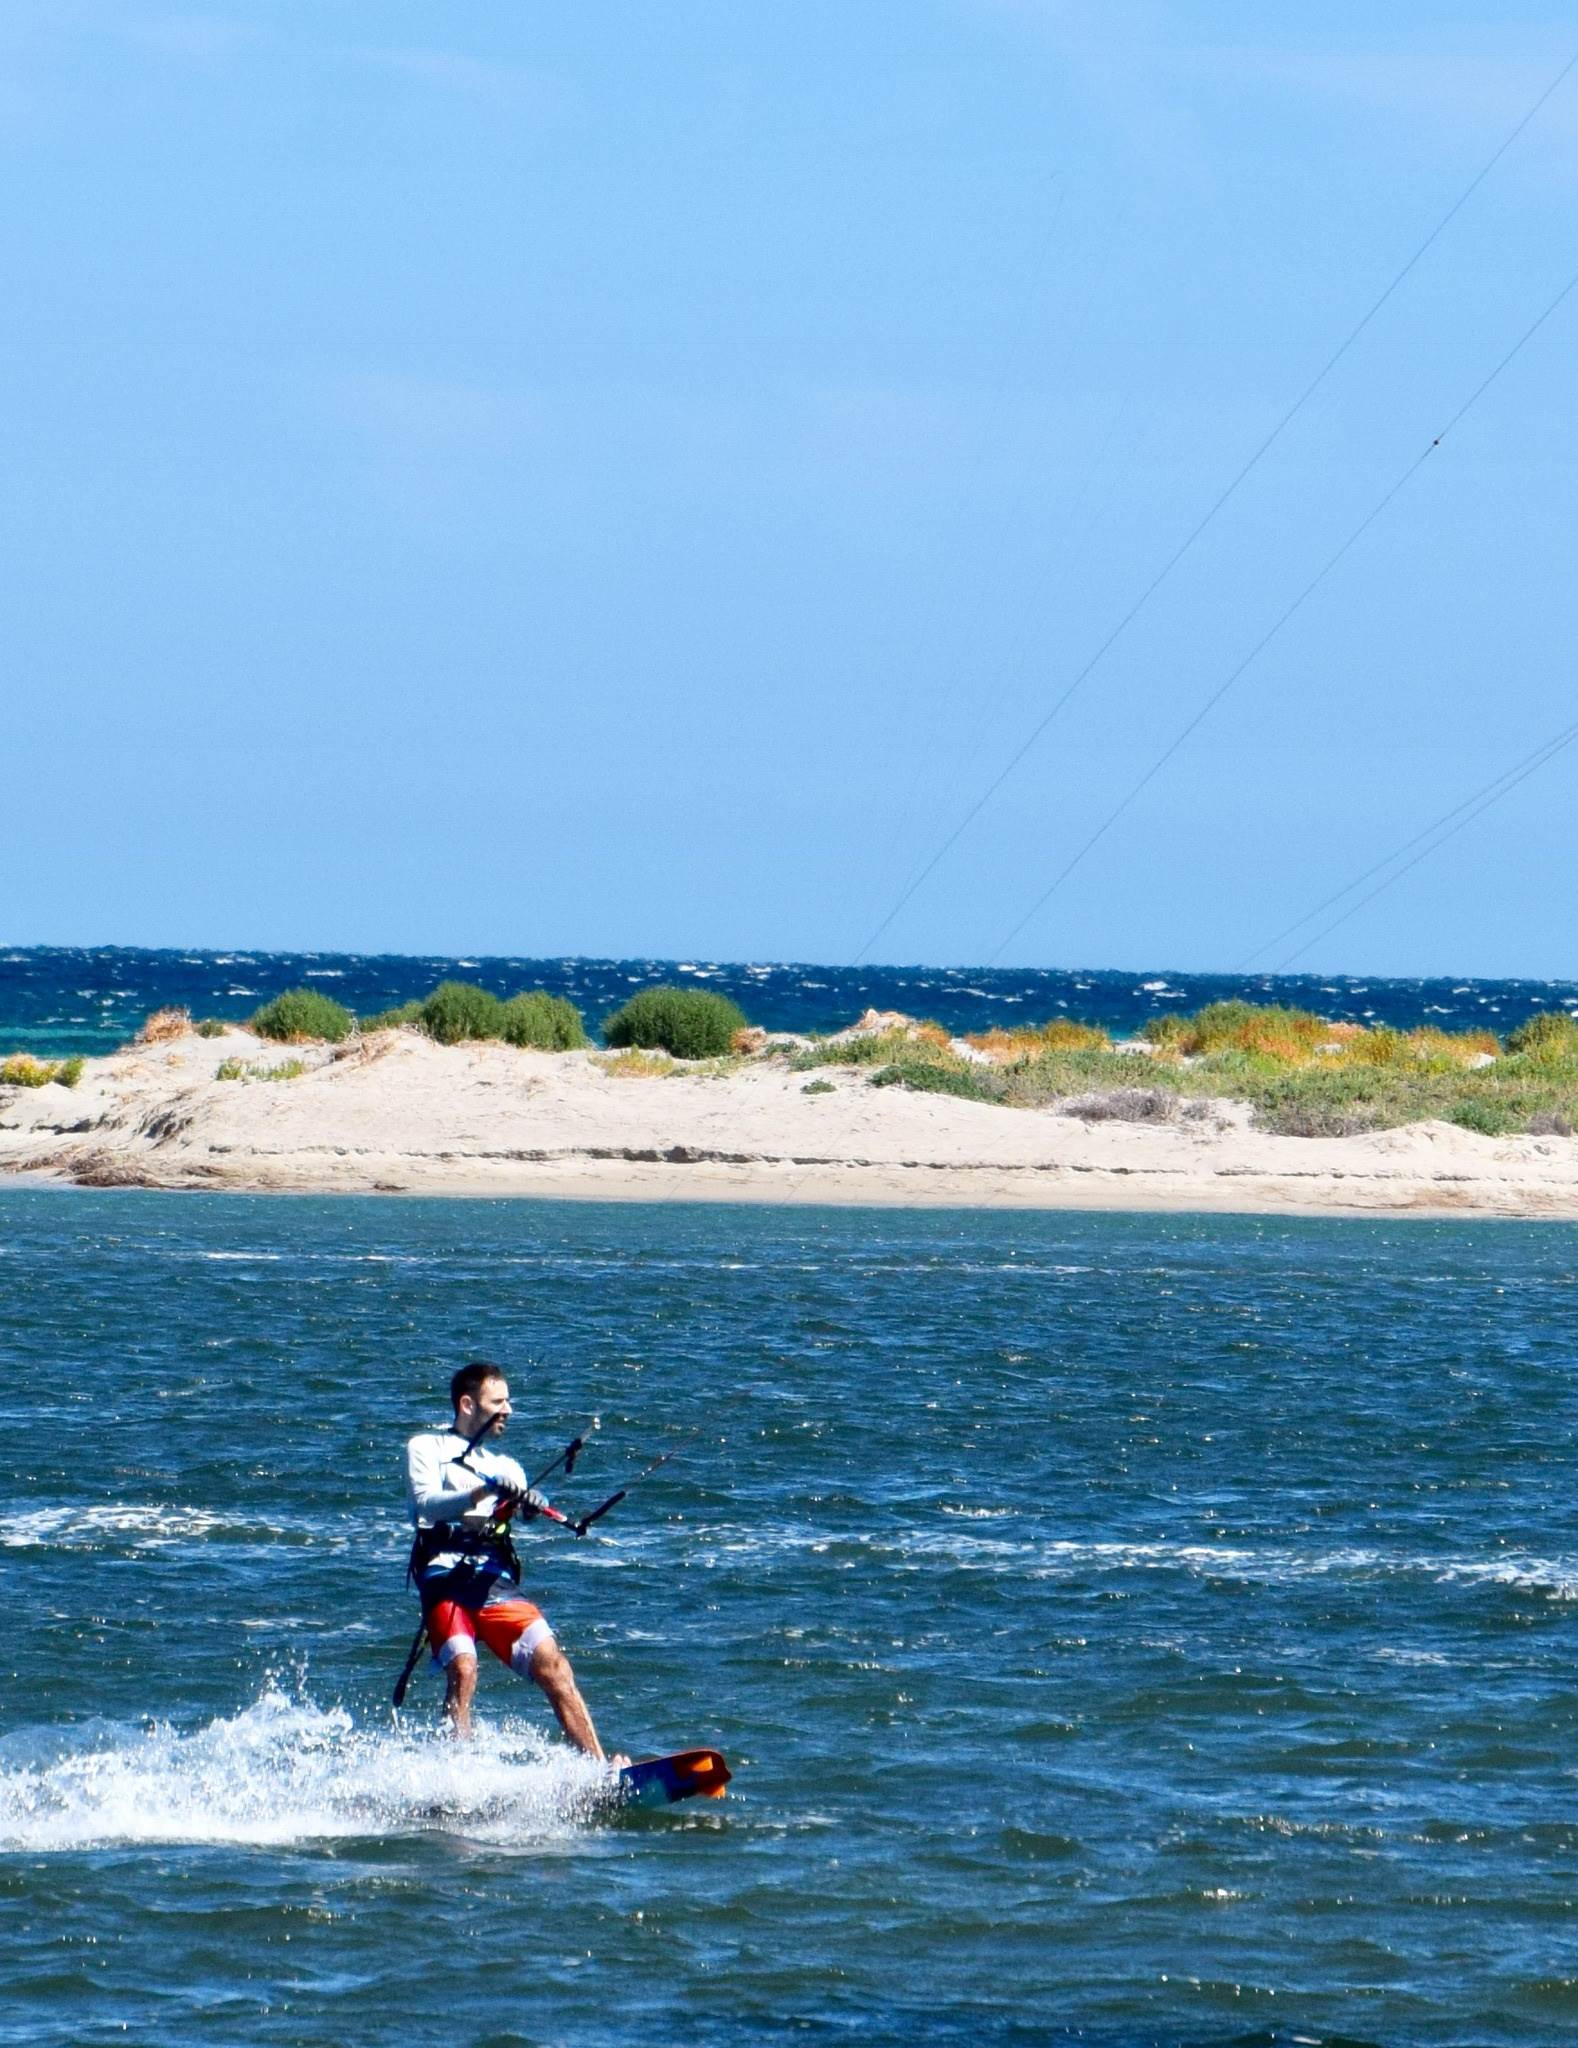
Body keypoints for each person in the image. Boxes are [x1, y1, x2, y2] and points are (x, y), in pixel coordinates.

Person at [405, 1360, 619, 1755]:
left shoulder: (506, 1467)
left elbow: (525, 1512)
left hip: (494, 1581)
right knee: (463, 1669)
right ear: (468, 1404)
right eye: (498, 1401)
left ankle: (598, 1768)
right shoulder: (426, 1447)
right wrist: (480, 1494)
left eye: (509, 1401)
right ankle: (455, 1774)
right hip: (444, 1577)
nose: (508, 1410)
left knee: (553, 1663)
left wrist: (533, 1504)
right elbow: (427, 1504)